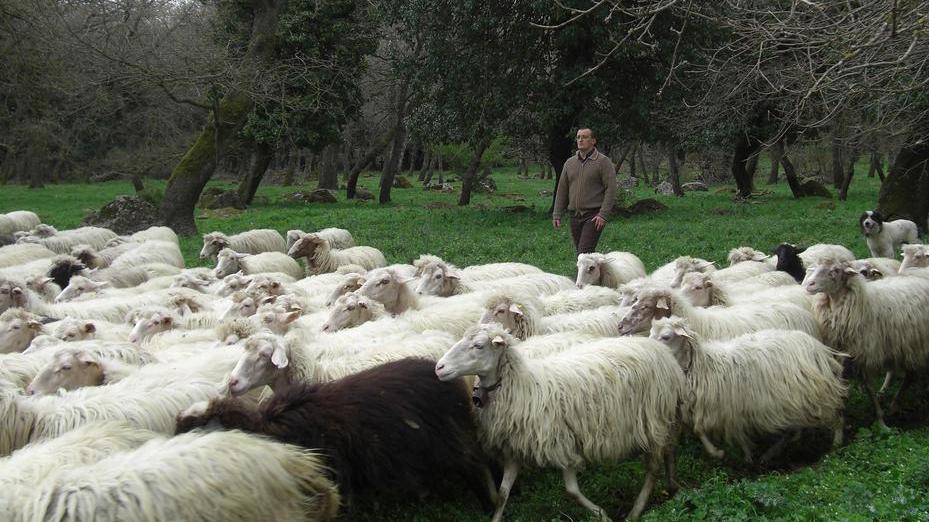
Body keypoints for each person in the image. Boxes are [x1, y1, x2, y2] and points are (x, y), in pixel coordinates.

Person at [552, 128, 617, 255]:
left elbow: (611, 189)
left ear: (593, 141)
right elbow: (562, 189)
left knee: (583, 253)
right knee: (584, 255)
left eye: (585, 137)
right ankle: (597, 274)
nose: (581, 140)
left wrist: (603, 214)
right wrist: (557, 213)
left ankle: (578, 276)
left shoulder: (603, 162)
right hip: (574, 216)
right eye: (578, 137)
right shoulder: (569, 163)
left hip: (593, 216)